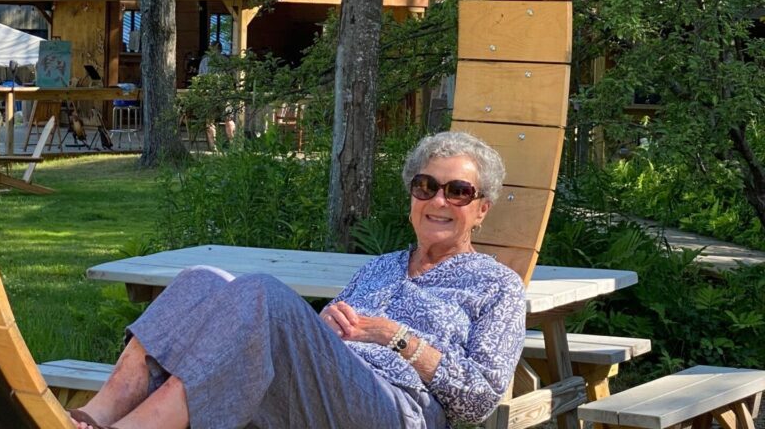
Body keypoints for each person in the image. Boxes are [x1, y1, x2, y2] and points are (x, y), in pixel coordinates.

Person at [68, 131, 526, 429]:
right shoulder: (379, 266)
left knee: (260, 292)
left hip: (397, 410)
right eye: (426, 186)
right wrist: (325, 325)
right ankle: (99, 411)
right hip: (323, 394)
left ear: (482, 209)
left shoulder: (496, 286)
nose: (438, 200)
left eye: (458, 192)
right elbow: (326, 341)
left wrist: (395, 337)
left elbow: (479, 401)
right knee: (200, 279)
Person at [195, 41, 235, 148]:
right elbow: (232, 77)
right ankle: (233, 144)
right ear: (221, 49)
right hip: (225, 94)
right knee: (229, 119)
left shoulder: (204, 61)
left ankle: (213, 146)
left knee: (209, 121)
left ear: (211, 49)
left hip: (209, 94)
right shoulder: (226, 60)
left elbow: (200, 78)